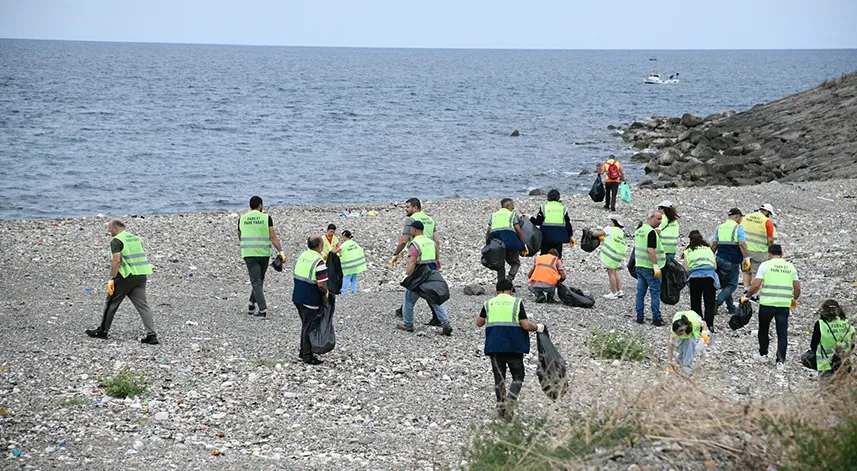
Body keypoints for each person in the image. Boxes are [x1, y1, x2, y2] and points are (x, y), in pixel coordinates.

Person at [476, 279, 545, 420]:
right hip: (514, 347)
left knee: (499, 379)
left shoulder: (489, 303)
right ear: (511, 290)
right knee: (518, 377)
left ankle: (501, 408)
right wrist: (537, 327)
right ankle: (511, 401)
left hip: (494, 347)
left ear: (496, 291)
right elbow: (525, 325)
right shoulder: (516, 302)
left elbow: (479, 322)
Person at [85, 218, 159, 344]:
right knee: (143, 306)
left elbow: (116, 260)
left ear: (115, 228)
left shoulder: (116, 240)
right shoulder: (135, 238)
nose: (109, 231)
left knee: (111, 303)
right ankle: (151, 335)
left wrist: (113, 277)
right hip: (141, 274)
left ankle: (102, 331)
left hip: (125, 276)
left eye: (109, 228)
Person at [744, 244, 801, 371]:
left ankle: (763, 354)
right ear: (782, 254)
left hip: (767, 303)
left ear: (769, 254)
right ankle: (780, 361)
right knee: (782, 332)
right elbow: (797, 287)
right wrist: (794, 299)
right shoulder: (790, 267)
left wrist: (748, 295)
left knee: (763, 329)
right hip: (783, 304)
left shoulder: (765, 265)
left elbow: (756, 285)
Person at [396, 221, 453, 335]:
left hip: (419, 275)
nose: (410, 231)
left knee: (409, 300)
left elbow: (412, 262)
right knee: (434, 299)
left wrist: (406, 276)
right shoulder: (431, 242)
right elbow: (437, 258)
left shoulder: (415, 243)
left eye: (411, 229)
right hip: (431, 273)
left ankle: (408, 324)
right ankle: (445, 323)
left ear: (414, 230)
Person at [237, 196, 286, 320]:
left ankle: (252, 303)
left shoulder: (242, 218)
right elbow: (273, 236)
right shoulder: (266, 218)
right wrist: (280, 251)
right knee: (259, 280)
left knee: (256, 280)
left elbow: (240, 236)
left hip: (249, 253)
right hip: (264, 253)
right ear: (260, 205)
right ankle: (262, 309)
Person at [292, 235, 329, 365]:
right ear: (319, 245)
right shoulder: (319, 261)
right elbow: (322, 284)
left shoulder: (303, 256)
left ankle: (304, 350)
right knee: (309, 327)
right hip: (310, 298)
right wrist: (326, 294)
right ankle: (307, 355)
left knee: (305, 325)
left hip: (298, 296)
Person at [711, 208, 750, 316]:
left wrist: (710, 256)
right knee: (732, 285)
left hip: (719, 259)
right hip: (732, 260)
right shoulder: (738, 228)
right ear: (737, 217)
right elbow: (742, 244)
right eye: (740, 217)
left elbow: (714, 244)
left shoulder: (719, 228)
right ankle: (717, 303)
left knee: (725, 283)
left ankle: (731, 307)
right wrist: (747, 257)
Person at [683, 230, 720, 331]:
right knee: (709, 302)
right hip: (709, 277)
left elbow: (686, 269)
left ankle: (698, 324)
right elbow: (715, 266)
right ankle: (709, 325)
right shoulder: (708, 249)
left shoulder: (688, 251)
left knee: (695, 302)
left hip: (695, 278)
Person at [485, 198, 527, 285]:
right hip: (509, 241)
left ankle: (501, 284)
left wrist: (487, 245)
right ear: (507, 205)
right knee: (515, 263)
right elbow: (519, 231)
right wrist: (523, 244)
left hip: (496, 243)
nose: (513, 207)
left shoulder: (494, 215)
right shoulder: (512, 215)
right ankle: (509, 280)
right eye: (512, 205)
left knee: (500, 264)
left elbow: (488, 232)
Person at [810, 300, 856, 378]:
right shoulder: (847, 323)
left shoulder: (821, 324)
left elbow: (813, 345)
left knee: (826, 389)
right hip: (845, 363)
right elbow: (853, 344)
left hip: (825, 365)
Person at [634, 212, 666, 326]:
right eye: (658, 219)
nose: (660, 221)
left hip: (640, 265)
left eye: (661, 219)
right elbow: (650, 250)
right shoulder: (651, 232)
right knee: (655, 293)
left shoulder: (639, 231)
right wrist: (655, 265)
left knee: (640, 293)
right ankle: (656, 318)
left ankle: (639, 317)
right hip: (650, 267)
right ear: (651, 218)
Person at [741, 204, 777, 299]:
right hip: (759, 251)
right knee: (756, 273)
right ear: (766, 212)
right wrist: (771, 250)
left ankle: (745, 289)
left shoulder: (746, 217)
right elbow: (770, 239)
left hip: (745, 250)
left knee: (746, 270)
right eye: (769, 214)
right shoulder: (767, 221)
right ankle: (754, 294)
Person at [528, 189, 575, 258]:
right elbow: (568, 224)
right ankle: (555, 267)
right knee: (557, 256)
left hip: (546, 237)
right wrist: (570, 235)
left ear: (548, 197)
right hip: (559, 237)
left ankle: (544, 267)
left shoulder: (544, 208)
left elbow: (538, 222)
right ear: (558, 198)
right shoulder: (563, 209)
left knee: (544, 256)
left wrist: (529, 217)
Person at [591, 215, 627, 299]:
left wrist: (590, 233)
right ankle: (619, 291)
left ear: (614, 222)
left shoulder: (609, 229)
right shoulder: (620, 231)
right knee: (615, 271)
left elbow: (597, 234)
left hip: (610, 255)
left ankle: (613, 292)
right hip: (618, 255)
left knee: (611, 273)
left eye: (611, 221)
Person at [339, 230, 366, 294]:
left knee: (346, 278)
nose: (342, 238)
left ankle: (344, 292)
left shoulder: (344, 244)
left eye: (343, 237)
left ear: (345, 236)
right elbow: (360, 250)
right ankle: (354, 291)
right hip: (355, 264)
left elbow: (336, 251)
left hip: (348, 265)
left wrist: (330, 250)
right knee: (354, 279)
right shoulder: (354, 243)